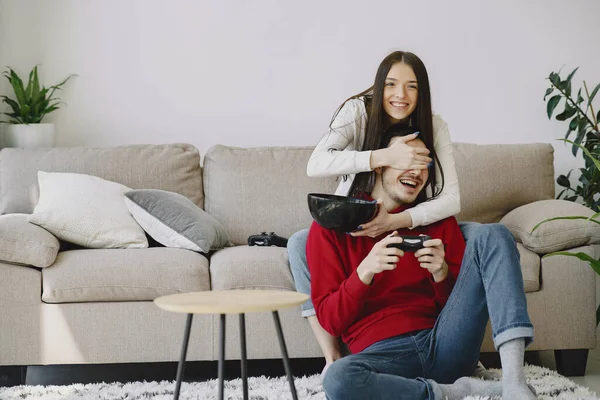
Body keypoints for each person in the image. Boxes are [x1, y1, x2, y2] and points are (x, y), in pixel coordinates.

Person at [307, 129, 536, 400]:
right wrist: (364, 272)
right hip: (383, 357)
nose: (416, 172)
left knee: (495, 234)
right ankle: (455, 392)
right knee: (338, 380)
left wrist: (442, 273)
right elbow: (332, 321)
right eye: (407, 160)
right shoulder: (332, 228)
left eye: (424, 164)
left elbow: (465, 308)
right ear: (380, 164)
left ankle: (514, 383)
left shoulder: (437, 220)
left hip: (445, 343)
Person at [288, 50, 470, 374]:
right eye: (392, 84)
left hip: (406, 217)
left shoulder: (433, 125)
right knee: (300, 242)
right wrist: (382, 156)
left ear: (422, 92)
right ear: (379, 87)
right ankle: (333, 356)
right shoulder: (358, 113)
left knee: (480, 235)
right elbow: (316, 164)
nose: (401, 95)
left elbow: (451, 197)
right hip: (355, 212)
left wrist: (397, 221)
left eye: (412, 86)